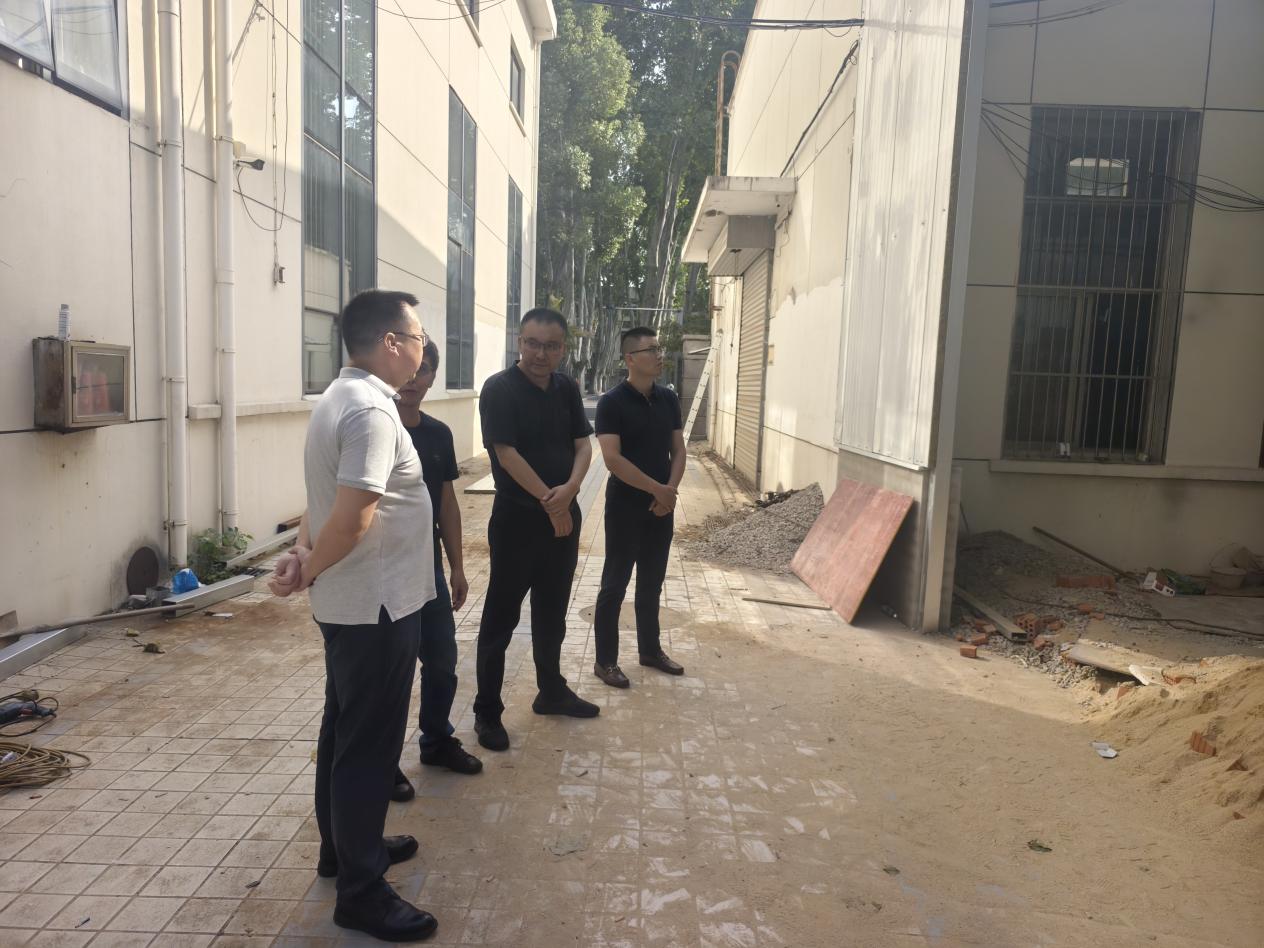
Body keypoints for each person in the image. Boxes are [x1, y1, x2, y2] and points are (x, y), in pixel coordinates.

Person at [269, 290, 438, 943]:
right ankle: (361, 894)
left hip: (357, 601)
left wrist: (302, 556)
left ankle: (344, 851)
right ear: (391, 343)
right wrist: (309, 566)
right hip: (376, 605)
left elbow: (326, 505)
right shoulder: (370, 410)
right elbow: (353, 517)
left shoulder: (339, 398)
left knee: (344, 732)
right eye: (417, 337)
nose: (423, 348)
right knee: (367, 747)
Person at [472, 308, 596, 752]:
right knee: (500, 618)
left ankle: (551, 692)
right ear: (519, 342)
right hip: (518, 522)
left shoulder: (566, 388)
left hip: (563, 518)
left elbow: (583, 445)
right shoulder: (499, 389)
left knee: (552, 612)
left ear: (563, 349)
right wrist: (551, 501)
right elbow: (506, 454)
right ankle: (487, 711)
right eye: (533, 343)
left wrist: (571, 490)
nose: (541, 354)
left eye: (551, 346)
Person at [391, 341, 482, 799]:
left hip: (426, 567)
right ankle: (383, 760)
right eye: (408, 369)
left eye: (423, 370)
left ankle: (436, 741)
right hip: (384, 570)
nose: (413, 379)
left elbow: (446, 502)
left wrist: (457, 566)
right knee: (392, 670)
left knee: (442, 660)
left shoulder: (438, 434)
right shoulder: (376, 427)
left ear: (432, 377)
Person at [592, 327, 687, 688]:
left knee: (651, 583)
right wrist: (657, 490)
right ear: (630, 358)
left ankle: (650, 650)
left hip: (661, 508)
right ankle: (605, 661)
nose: (660, 355)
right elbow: (613, 459)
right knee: (614, 585)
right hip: (625, 507)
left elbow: (678, 449)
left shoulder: (668, 399)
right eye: (652, 350)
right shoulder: (612, 403)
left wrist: (669, 493)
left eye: (660, 349)